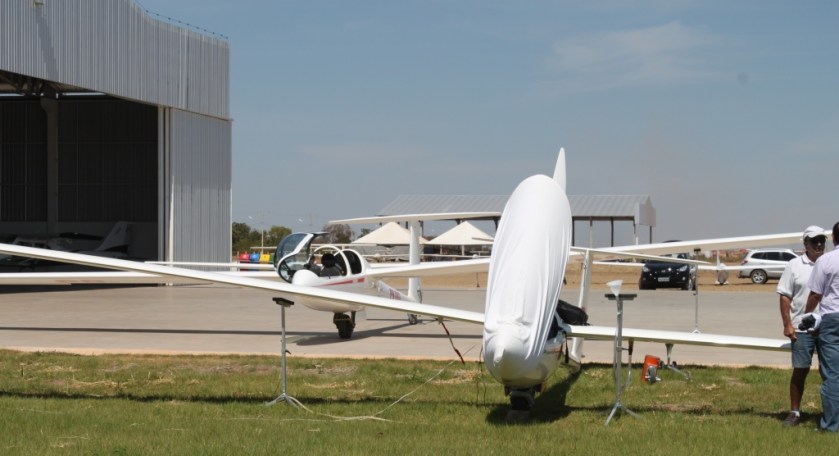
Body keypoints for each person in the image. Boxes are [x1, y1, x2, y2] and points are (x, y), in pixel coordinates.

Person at [777, 225, 826, 426]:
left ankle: (830, 412)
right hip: (802, 328)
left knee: (830, 371)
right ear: (805, 244)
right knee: (800, 370)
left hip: (827, 328)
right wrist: (788, 325)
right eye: (814, 241)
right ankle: (795, 412)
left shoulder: (829, 263)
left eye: (822, 240)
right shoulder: (794, 266)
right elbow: (785, 296)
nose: (819, 245)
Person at [805, 222, 839, 431]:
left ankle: (831, 424)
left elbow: (816, 294)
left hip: (832, 320)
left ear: (834, 238)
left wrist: (807, 316)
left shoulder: (826, 261)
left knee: (832, 374)